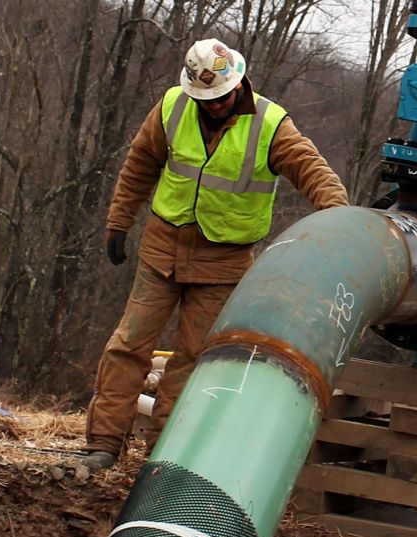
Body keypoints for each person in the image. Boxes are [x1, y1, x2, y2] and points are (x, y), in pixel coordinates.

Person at [83, 38, 350, 471]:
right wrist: (119, 221)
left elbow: (311, 169)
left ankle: (163, 456)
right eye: (206, 99)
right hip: (161, 248)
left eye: (222, 97)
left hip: (223, 263)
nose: (215, 105)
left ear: (239, 84)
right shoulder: (172, 106)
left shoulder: (270, 124)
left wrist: (338, 220)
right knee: (129, 346)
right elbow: (140, 165)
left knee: (192, 359)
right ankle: (103, 444)